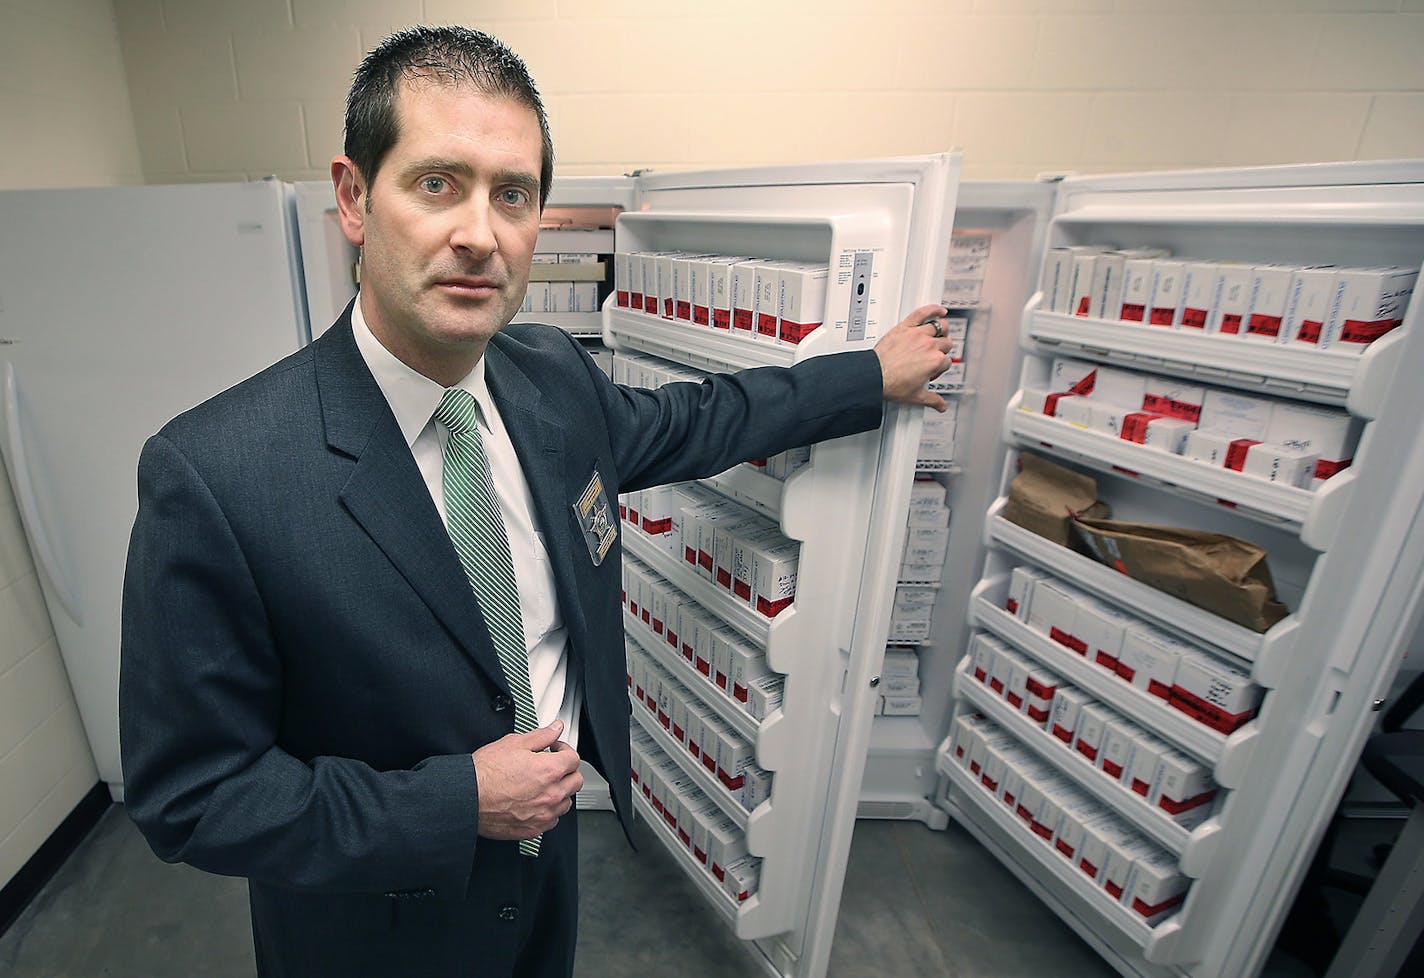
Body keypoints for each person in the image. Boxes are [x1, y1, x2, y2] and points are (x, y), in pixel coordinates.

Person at [119, 24, 957, 978]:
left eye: (511, 195)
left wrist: (864, 376)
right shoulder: (219, 474)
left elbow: (695, 421)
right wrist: (457, 804)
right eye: (437, 183)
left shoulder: (551, 379)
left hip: (550, 871)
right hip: (376, 931)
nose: (479, 233)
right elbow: (190, 794)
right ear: (354, 198)